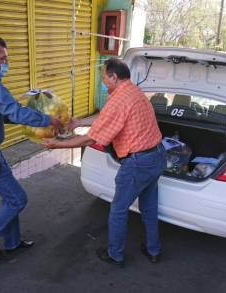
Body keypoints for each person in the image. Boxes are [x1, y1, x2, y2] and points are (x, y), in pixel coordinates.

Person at [42, 58, 167, 267]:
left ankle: (115, 254)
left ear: (114, 77)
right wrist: (79, 122)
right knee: (149, 206)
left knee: (118, 210)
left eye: (104, 78)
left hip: (138, 164)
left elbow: (92, 138)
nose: (103, 82)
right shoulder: (134, 92)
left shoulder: (119, 99)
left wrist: (57, 145)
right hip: (157, 157)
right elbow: (108, 118)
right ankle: (154, 250)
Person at [0, 34, 62, 261]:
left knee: (11, 198)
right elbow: (13, 111)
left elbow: (2, 114)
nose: (6, 63)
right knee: (18, 199)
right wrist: (47, 120)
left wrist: (29, 115)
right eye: (3, 59)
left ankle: (13, 243)